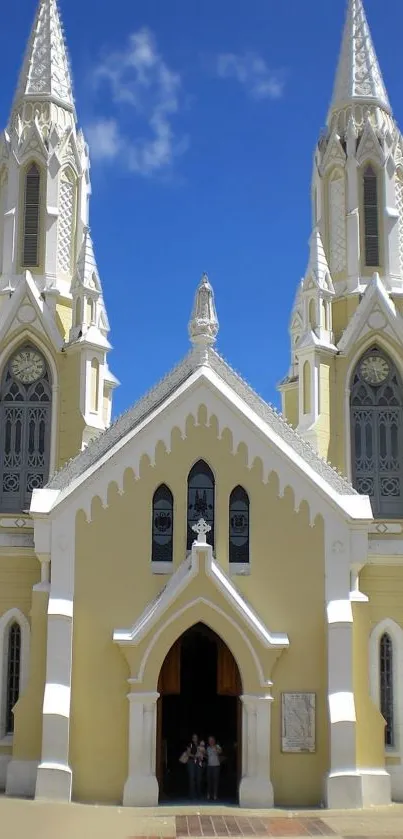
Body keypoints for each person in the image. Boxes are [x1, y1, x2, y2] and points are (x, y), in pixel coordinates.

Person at [186, 733, 205, 799]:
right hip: (191, 762)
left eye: (196, 737)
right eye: (194, 737)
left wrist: (201, 755)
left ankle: (199, 794)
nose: (195, 738)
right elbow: (188, 753)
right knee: (192, 778)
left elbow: (203, 753)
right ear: (192, 738)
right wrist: (195, 756)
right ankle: (192, 794)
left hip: (198, 762)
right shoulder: (190, 744)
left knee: (199, 778)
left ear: (197, 738)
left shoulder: (200, 745)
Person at [206, 735, 222, 801]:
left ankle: (215, 795)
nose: (211, 741)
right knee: (209, 781)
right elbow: (207, 756)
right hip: (209, 766)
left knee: (215, 781)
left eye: (212, 740)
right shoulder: (208, 748)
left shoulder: (217, 746)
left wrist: (216, 748)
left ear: (214, 740)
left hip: (216, 766)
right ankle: (209, 794)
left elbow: (220, 752)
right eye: (209, 740)